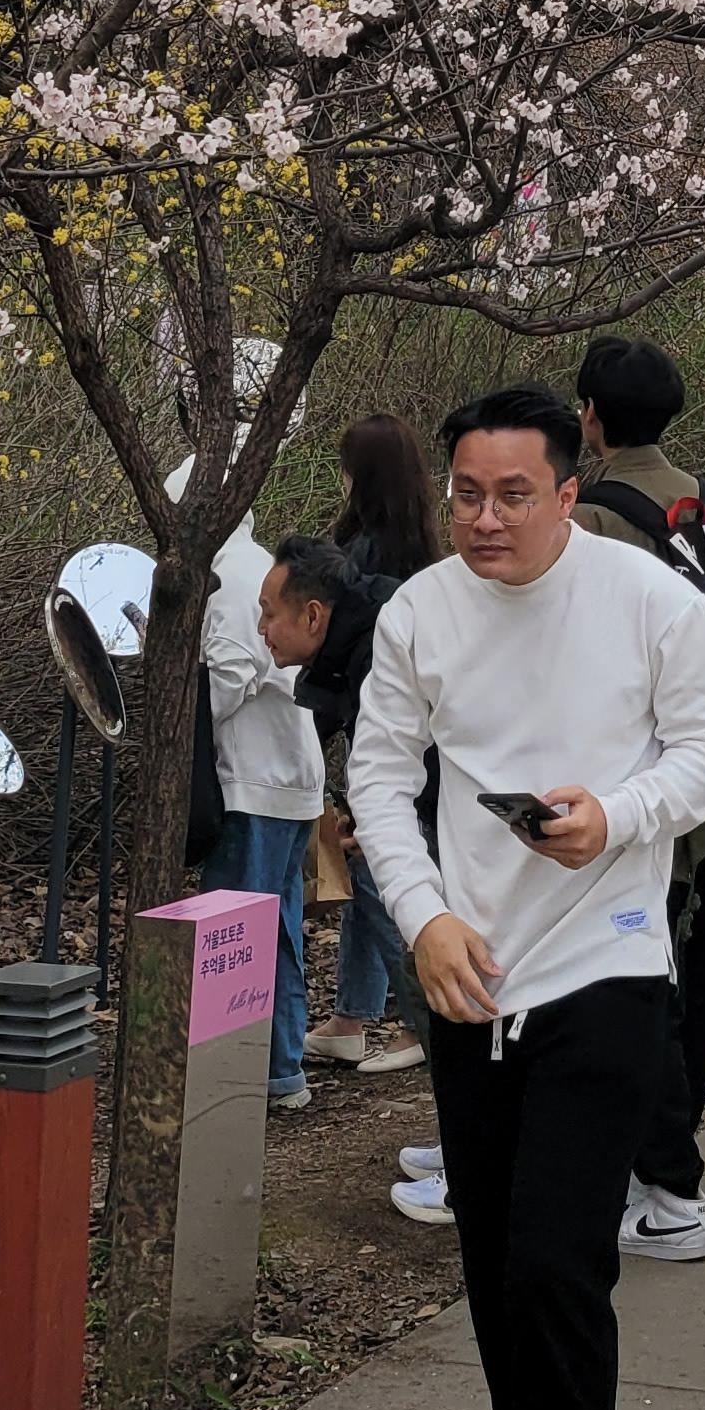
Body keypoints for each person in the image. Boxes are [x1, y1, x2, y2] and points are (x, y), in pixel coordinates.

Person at [347, 384, 705, 1410]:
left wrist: (618, 817)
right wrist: (424, 916)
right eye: (466, 492)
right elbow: (378, 779)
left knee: (557, 1270)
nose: (485, 517)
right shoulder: (419, 614)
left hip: (606, 967)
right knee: (494, 1278)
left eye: (514, 493)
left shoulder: (648, 601)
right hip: (473, 980)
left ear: (570, 492)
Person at [575, 330, 705, 1262]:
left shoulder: (596, 518)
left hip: (641, 799)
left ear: (590, 417)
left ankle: (669, 1183)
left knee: (647, 986)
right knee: (700, 974)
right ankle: (669, 1163)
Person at [297, 417, 439, 1089]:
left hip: (375, 731)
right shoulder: (422, 552)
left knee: (381, 876)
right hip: (405, 734)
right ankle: (351, 1016)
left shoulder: (360, 557)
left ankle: (420, 1018)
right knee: (365, 872)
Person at [199, 503, 330, 1112]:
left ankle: (232, 1080)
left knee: (236, 937)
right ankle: (279, 1068)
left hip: (254, 784)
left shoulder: (231, 576)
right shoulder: (259, 565)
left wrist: (177, 728)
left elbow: (228, 674)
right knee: (276, 933)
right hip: (286, 781)